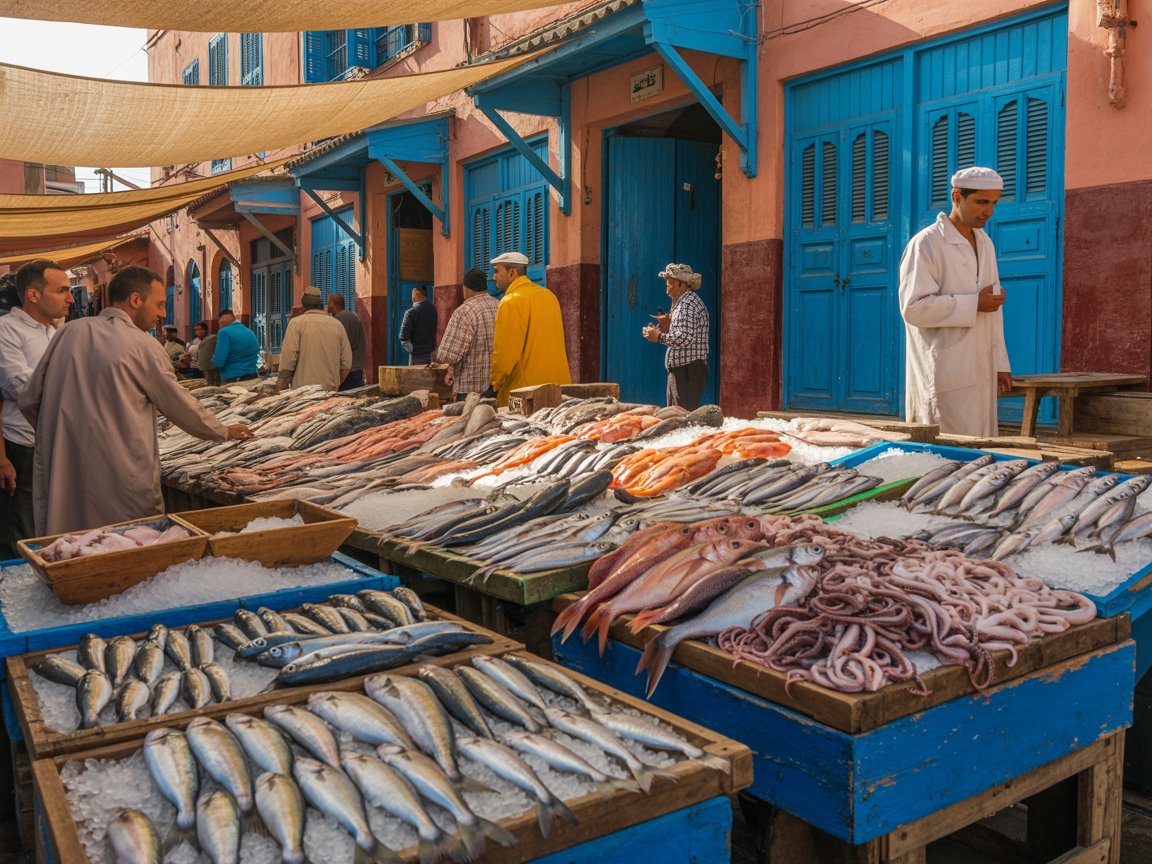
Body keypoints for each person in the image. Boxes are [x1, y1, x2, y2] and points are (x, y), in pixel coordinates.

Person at [19, 266, 254, 535]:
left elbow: (28, 399)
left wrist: (59, 437)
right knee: (129, 542)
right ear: (135, 300)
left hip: (63, 469)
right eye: (160, 304)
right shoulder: (144, 345)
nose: (163, 314)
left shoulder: (67, 333)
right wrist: (222, 431)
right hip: (121, 472)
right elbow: (179, 405)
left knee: (71, 546)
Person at [899, 166, 1012, 437]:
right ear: (957, 196)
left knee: (982, 456)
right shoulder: (926, 244)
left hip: (981, 366)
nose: (989, 211)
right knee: (944, 454)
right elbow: (913, 309)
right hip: (943, 370)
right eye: (982, 202)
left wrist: (1000, 364)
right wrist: (973, 304)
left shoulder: (986, 243)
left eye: (993, 203)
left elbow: (992, 308)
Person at [0, 259, 73, 556]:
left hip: (55, 443)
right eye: (62, 290)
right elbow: (20, 387)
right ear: (33, 295)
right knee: (22, 531)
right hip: (23, 446)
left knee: (51, 527)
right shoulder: (7, 330)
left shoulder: (55, 332)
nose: (70, 297)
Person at [486, 251, 571, 406]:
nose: (493, 277)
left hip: (528, 393)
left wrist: (494, 384)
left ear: (512, 272)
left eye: (497, 271)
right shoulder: (549, 296)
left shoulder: (510, 302)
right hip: (559, 387)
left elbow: (505, 354)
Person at [642, 262, 710, 410]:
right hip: (683, 369)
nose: (667, 286)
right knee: (676, 414)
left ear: (681, 284)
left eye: (670, 282)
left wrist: (658, 336)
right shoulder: (683, 302)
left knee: (682, 417)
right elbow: (683, 334)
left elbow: (684, 337)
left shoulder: (687, 304)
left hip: (687, 371)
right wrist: (666, 328)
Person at [433, 267, 499, 400]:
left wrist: (442, 363)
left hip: (471, 389)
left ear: (466, 288)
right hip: (497, 386)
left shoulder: (464, 312)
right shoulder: (500, 305)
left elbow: (447, 356)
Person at [278, 286, 352, 391]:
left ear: (303, 305)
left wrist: (281, 389)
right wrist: (335, 384)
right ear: (321, 305)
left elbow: (288, 361)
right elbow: (346, 365)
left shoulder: (296, 323)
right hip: (329, 391)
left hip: (303, 393)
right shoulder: (337, 325)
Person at [327, 293, 366, 390]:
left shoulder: (338, 320)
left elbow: (338, 348)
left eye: (328, 304)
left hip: (346, 372)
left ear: (332, 305)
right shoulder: (353, 317)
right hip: (357, 369)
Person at [211, 307, 261, 384]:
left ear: (222, 321)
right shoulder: (249, 332)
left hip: (232, 379)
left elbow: (219, 362)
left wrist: (213, 360)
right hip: (252, 377)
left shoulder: (224, 332)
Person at [399, 285, 438, 365]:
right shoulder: (433, 309)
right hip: (432, 353)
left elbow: (403, 337)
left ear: (415, 296)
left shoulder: (410, 313)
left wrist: (412, 350)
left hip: (417, 355)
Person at [196, 321, 222, 387]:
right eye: (196, 330)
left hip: (213, 371)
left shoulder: (212, 338)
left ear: (206, 330)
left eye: (200, 329)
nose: (198, 332)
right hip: (206, 371)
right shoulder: (201, 341)